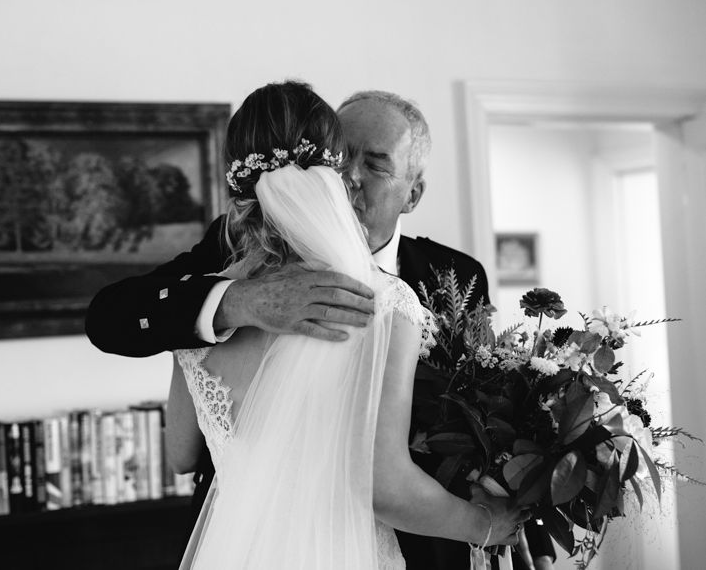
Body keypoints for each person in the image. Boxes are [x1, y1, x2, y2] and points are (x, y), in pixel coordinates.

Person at [85, 86, 555, 570]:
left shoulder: (455, 276)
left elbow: (498, 417)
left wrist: (528, 533)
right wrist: (236, 304)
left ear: (412, 193)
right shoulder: (221, 273)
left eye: (374, 164)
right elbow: (109, 315)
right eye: (339, 158)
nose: (349, 177)